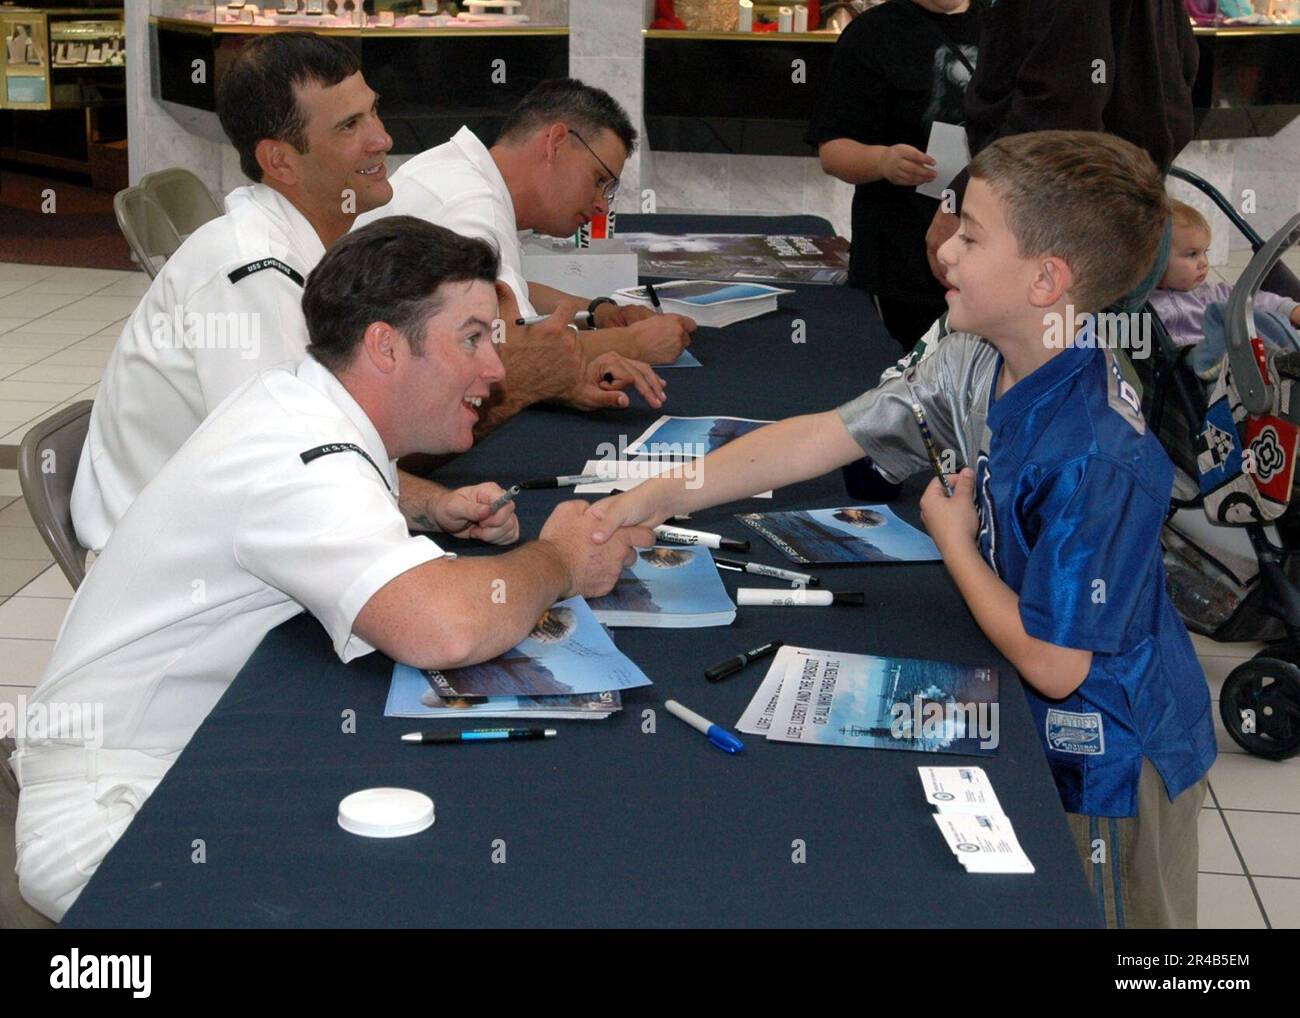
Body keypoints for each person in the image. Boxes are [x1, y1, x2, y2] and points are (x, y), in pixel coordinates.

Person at [587, 131, 1217, 928]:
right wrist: (663, 494)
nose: (946, 250)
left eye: (973, 236)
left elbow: (1057, 664)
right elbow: (829, 433)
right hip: (1061, 718)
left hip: (1115, 759)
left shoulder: (1096, 453)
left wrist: (953, 539)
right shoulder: (974, 357)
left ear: (1046, 280)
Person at [12, 218, 654, 922]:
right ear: (384, 346)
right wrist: (560, 560)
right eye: (472, 338)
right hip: (116, 819)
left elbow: (328, 495)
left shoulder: (302, 404)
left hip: (182, 762)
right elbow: (441, 626)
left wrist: (426, 510)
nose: (495, 368)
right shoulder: (300, 453)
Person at [72, 34, 660, 552]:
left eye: (373, 112)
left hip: (236, 533)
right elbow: (290, 475)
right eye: (349, 126)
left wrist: (429, 503)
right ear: (280, 160)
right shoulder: (250, 273)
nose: (382, 138)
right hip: (178, 571)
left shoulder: (318, 244)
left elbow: (332, 440)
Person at [354, 79, 696, 381]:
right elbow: (513, 350)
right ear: (556, 142)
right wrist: (633, 344)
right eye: (598, 181)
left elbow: (499, 292)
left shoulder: (461, 172)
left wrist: (598, 313)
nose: (601, 206)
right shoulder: (472, 206)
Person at [923, 0, 1199, 298]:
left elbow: (1058, 112)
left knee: (1056, 341)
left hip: (1064, 220)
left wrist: (961, 200)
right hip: (1128, 212)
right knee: (1102, 341)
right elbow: (1183, 66)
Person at [807, 0, 980, 351]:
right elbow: (833, 149)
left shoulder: (1010, 25)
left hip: (989, 254)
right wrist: (882, 161)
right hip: (901, 261)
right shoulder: (873, 32)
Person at [1150, 199, 1300, 376]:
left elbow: (1254, 298)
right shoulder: (1147, 308)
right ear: (1153, 260)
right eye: (1192, 254)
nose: (1203, 263)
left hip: (1249, 352)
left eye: (1205, 252)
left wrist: (1290, 309)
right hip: (1200, 365)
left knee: (1247, 306)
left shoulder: (1211, 292)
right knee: (1222, 314)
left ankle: (1286, 351)